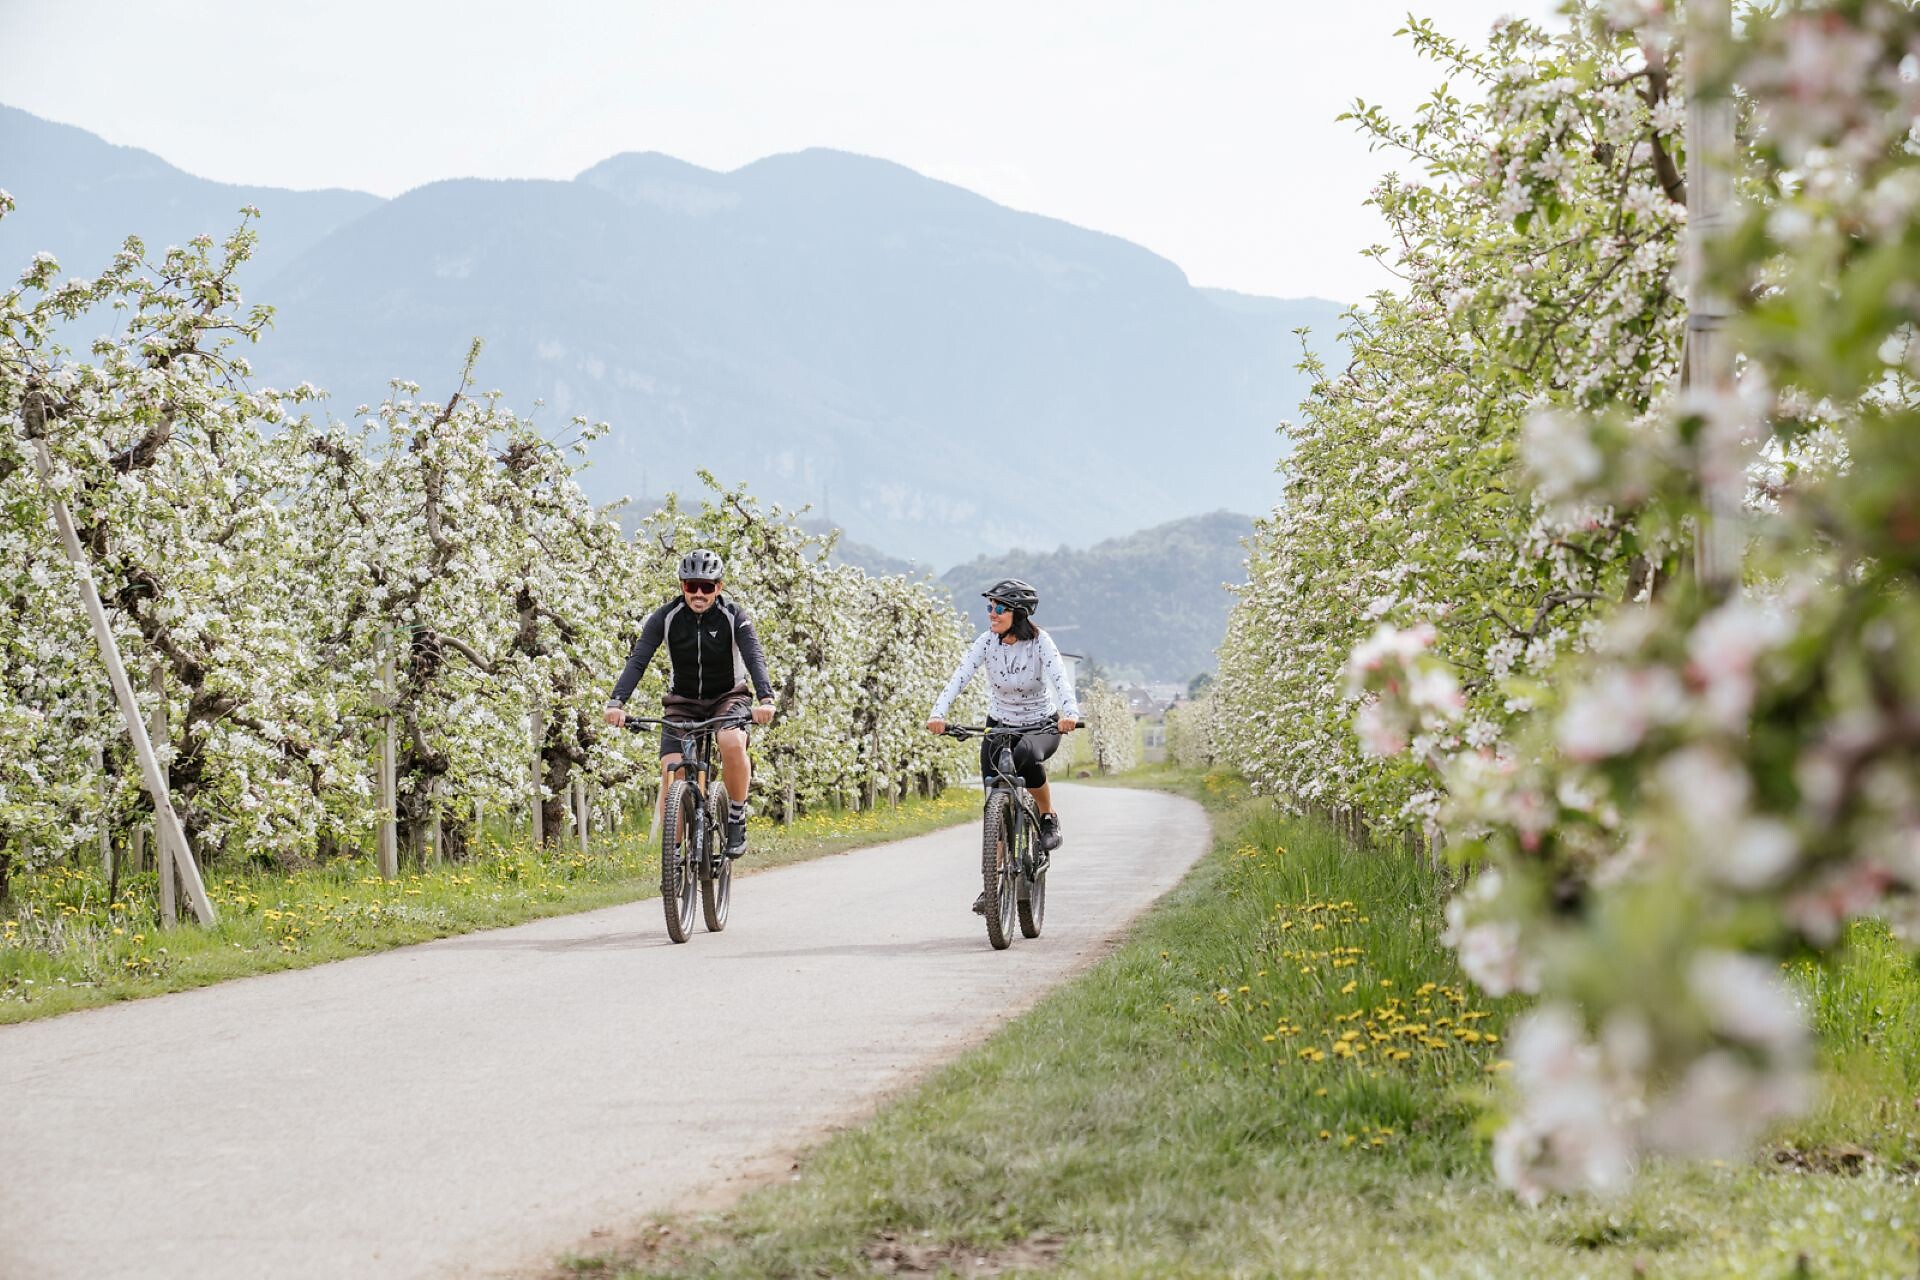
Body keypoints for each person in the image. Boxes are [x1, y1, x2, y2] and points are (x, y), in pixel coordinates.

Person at [605, 550, 775, 856]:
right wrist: (616, 702)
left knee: (731, 741)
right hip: (682, 701)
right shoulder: (665, 617)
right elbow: (639, 659)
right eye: (691, 586)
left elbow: (754, 655)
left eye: (707, 587)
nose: (698, 593)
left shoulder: (734, 616)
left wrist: (766, 698)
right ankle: (673, 853)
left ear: (718, 588)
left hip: (728, 697)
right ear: (682, 585)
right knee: (672, 769)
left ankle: (736, 815)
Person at [925, 578, 1079, 912]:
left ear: (1018, 613)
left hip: (1041, 724)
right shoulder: (986, 643)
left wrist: (1070, 713)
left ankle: (1048, 816)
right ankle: (992, 885)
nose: (991, 614)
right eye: (989, 608)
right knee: (993, 798)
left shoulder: (1041, 644)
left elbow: (1060, 680)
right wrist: (938, 713)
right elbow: (960, 677)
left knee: (1025, 755)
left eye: (998, 608)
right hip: (999, 725)